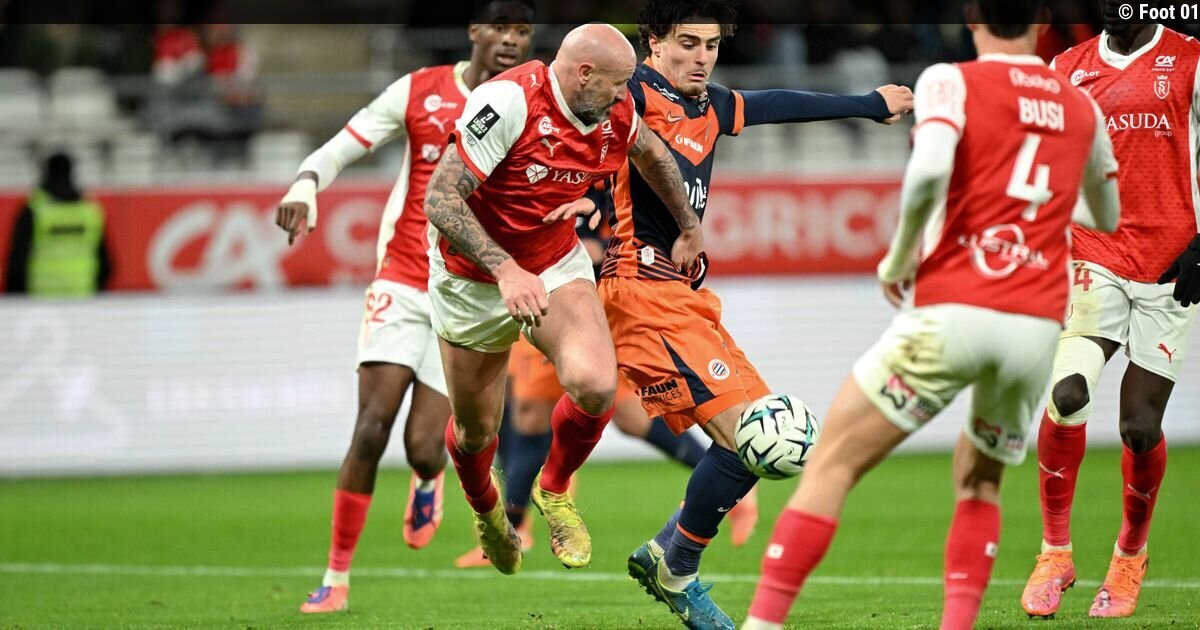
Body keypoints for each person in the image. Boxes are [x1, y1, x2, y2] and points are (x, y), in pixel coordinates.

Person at [743, 1, 1123, 628]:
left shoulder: (950, 79)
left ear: (972, 20)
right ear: (1041, 22)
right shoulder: (1079, 103)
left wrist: (897, 259)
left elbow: (927, 173)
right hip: (1035, 326)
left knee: (832, 463)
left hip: (956, 306)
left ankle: (762, 623)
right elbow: (1107, 215)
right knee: (980, 484)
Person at [539, 1, 908, 626]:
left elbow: (777, 103)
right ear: (654, 44)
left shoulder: (709, 106)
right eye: (688, 43)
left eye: (711, 45)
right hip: (639, 290)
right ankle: (674, 566)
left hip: (685, 299)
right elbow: (581, 126)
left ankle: (669, 556)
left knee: (765, 443)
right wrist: (581, 196)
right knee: (760, 437)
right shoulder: (633, 92)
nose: (702, 57)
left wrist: (869, 103)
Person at [273, 0, 534, 613]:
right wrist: (306, 182)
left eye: (522, 31)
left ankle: (426, 476)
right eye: (500, 28)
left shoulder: (530, 101)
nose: (511, 40)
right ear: (474, 31)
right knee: (370, 427)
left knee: (424, 446)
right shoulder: (420, 90)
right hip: (401, 277)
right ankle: (335, 579)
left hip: (465, 293)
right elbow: (347, 142)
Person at [423, 22, 698, 576]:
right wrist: (505, 270)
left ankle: (554, 490)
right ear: (584, 74)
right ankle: (487, 512)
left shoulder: (614, 111)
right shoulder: (507, 102)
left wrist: (688, 225)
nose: (625, 96)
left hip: (552, 263)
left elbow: (652, 155)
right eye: (617, 84)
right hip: (472, 279)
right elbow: (441, 199)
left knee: (596, 384)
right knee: (477, 432)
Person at [1020, 1, 1200, 619]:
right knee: (1067, 392)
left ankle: (1129, 555)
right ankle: (1055, 553)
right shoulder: (1066, 68)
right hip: (1093, 254)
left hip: (1170, 268)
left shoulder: (1190, 60)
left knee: (1139, 428)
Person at [454, 210, 749, 569]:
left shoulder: (613, 191)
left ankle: (520, 522)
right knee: (592, 415)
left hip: (581, 303)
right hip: (550, 292)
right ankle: (516, 527)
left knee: (557, 414)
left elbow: (611, 241)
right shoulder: (563, 186)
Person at [4, 152, 111, 297]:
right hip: (82, 293)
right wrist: (98, 289)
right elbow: (105, 261)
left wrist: (14, 295)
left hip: (40, 295)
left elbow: (18, 258)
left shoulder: (34, 209)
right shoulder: (90, 211)